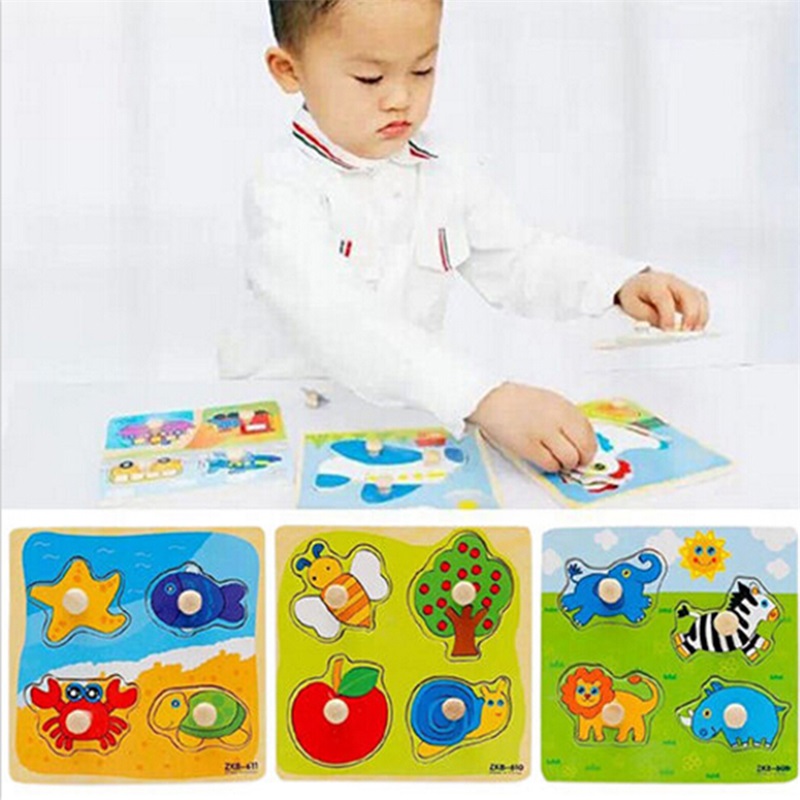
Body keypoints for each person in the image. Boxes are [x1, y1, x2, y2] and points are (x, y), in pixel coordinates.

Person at [233, 0, 709, 472]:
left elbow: (519, 257)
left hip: (398, 424)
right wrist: (484, 397)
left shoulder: (446, 171)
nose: (400, 98)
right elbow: (341, 319)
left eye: (422, 70)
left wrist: (619, 283)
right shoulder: (281, 187)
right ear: (288, 70)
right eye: (370, 78)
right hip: (280, 427)